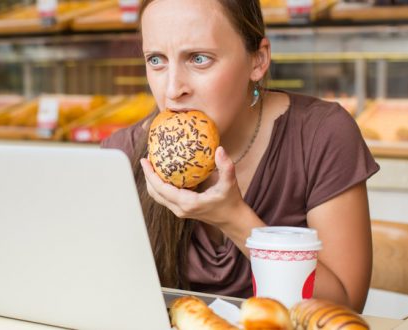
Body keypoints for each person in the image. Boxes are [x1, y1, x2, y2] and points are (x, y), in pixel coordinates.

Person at [102, 0, 379, 312]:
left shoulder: (321, 135)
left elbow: (344, 308)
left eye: (199, 58)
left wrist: (234, 217)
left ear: (258, 61)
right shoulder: (121, 155)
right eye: (156, 60)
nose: (172, 89)